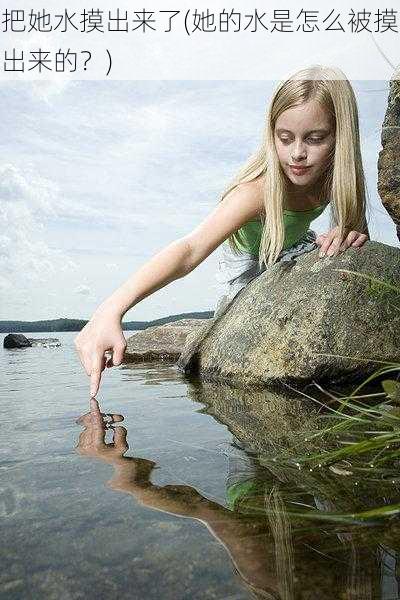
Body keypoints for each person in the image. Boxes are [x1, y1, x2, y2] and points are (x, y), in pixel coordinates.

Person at [74, 64, 370, 397]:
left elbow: (356, 230)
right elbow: (188, 250)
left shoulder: (339, 178)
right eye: (284, 138)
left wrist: (348, 232)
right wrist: (110, 309)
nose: (297, 153)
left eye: (315, 139)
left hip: (292, 244)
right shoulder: (256, 191)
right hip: (247, 263)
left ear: (340, 137)